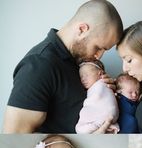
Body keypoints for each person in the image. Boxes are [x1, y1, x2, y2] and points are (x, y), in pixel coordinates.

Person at [3, 0, 123, 133]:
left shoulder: (80, 60)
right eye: (98, 47)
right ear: (82, 29)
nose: (99, 56)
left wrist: (105, 91)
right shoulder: (38, 65)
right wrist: (92, 140)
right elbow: (15, 136)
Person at [75, 59, 119, 133]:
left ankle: (104, 125)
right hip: (108, 117)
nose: (83, 79)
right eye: (81, 77)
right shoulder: (93, 87)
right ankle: (109, 126)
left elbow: (95, 99)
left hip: (106, 115)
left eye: (86, 75)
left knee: (79, 129)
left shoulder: (101, 84)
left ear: (100, 74)